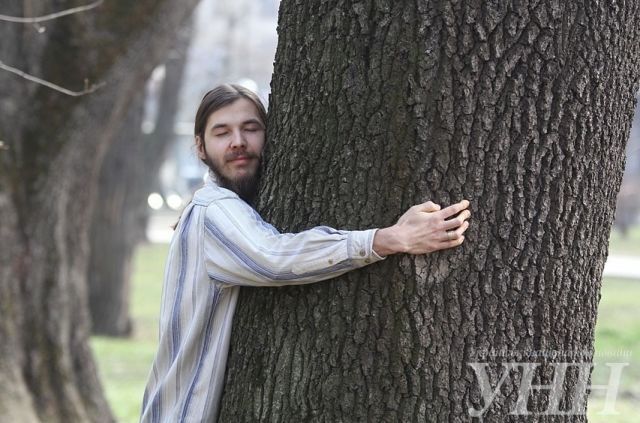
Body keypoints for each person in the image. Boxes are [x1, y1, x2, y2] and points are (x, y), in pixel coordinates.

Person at [140, 84, 471, 422]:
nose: (238, 141)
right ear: (200, 147)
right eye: (222, 132)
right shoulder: (212, 210)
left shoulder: (222, 207)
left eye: (251, 129)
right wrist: (390, 238)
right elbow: (277, 258)